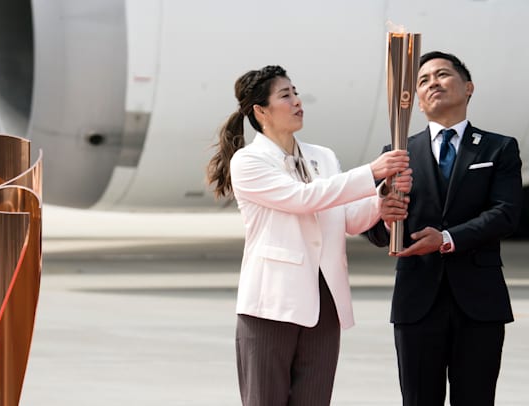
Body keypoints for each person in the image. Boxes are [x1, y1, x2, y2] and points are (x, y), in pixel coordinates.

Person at [206, 65, 411, 406]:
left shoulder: (323, 157)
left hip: (325, 298)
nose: (297, 101)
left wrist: (382, 200)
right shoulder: (249, 161)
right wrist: (372, 172)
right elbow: (304, 200)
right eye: (285, 95)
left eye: (296, 92)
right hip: (272, 303)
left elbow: (346, 218)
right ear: (260, 111)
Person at [366, 51, 524, 405]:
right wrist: (384, 214)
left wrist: (448, 239)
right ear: (417, 103)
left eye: (442, 75)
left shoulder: (499, 148)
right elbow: (378, 233)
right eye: (423, 81)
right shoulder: (396, 152)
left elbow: (506, 213)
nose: (433, 82)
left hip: (479, 302)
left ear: (468, 88)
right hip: (417, 301)